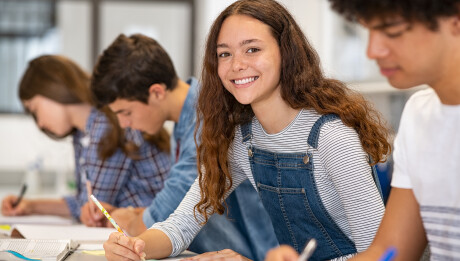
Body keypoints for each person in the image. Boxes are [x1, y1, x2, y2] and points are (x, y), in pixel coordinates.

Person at [101, 1, 392, 261]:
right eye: (224, 54)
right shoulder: (242, 139)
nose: (236, 65)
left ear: (286, 53)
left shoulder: (332, 138)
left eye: (252, 49)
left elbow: (382, 254)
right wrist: (135, 247)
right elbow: (181, 224)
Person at [267, 0, 460, 260]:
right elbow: (390, 252)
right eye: (369, 30)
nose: (373, 50)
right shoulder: (420, 114)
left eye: (392, 31)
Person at [90, 33, 278, 261]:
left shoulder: (208, 119)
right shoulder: (183, 122)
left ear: (157, 92)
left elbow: (164, 211)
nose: (124, 124)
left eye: (126, 112)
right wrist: (133, 225)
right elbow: (180, 216)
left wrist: (131, 219)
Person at [1, 55, 171, 223]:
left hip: (159, 228)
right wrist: (29, 206)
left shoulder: (107, 125)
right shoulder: (84, 133)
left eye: (35, 109)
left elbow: (92, 209)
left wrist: (34, 206)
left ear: (53, 88)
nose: (40, 124)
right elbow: (85, 202)